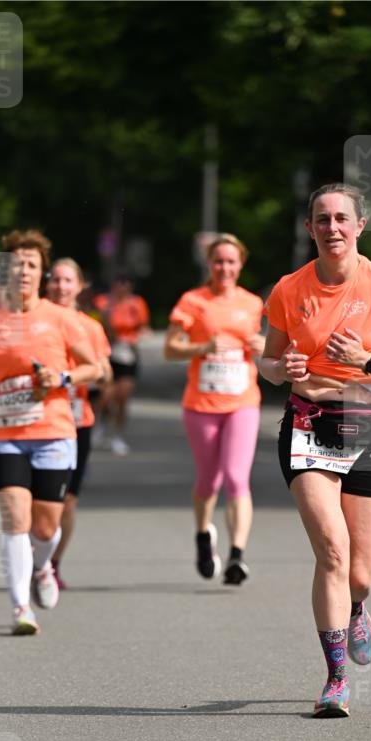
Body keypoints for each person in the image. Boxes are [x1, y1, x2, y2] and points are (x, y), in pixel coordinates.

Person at [260, 183, 371, 718]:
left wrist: (366, 360)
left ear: (359, 226)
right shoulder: (289, 289)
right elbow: (266, 363)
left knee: (360, 572)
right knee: (330, 551)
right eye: (322, 219)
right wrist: (280, 369)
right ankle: (335, 680)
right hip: (310, 425)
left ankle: (358, 606)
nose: (332, 228)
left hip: (370, 428)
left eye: (342, 219)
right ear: (309, 228)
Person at [0, 230, 100, 635]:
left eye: (31, 265)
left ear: (41, 274)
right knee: (15, 519)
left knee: (44, 528)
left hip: (54, 432)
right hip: (5, 433)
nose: (23, 271)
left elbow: (93, 368)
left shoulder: (61, 318)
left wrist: (59, 377)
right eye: (16, 265)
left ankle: (43, 566)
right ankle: (21, 608)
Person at [165, 233, 265, 584]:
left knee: (237, 477)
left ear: (241, 264)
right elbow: (170, 348)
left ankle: (237, 555)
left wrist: (263, 344)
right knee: (210, 479)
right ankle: (203, 535)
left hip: (242, 401)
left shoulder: (253, 303)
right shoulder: (193, 301)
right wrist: (203, 346)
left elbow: (272, 346)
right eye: (218, 261)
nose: (224, 267)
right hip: (201, 403)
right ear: (209, 264)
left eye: (231, 261)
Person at [45, 257, 112, 589]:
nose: (60, 286)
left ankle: (53, 563)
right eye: (55, 280)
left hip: (76, 421)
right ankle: (33, 557)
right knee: (37, 498)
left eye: (67, 280)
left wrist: (88, 373)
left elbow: (105, 374)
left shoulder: (90, 327)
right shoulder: (33, 322)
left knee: (67, 500)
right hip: (37, 422)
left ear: (79, 286)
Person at [94, 274, 151, 455]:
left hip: (127, 353)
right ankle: (102, 424)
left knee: (122, 397)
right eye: (118, 283)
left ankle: (117, 435)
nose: (121, 287)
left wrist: (136, 336)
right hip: (107, 352)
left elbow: (143, 326)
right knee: (105, 397)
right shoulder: (103, 302)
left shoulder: (136, 303)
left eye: (125, 284)